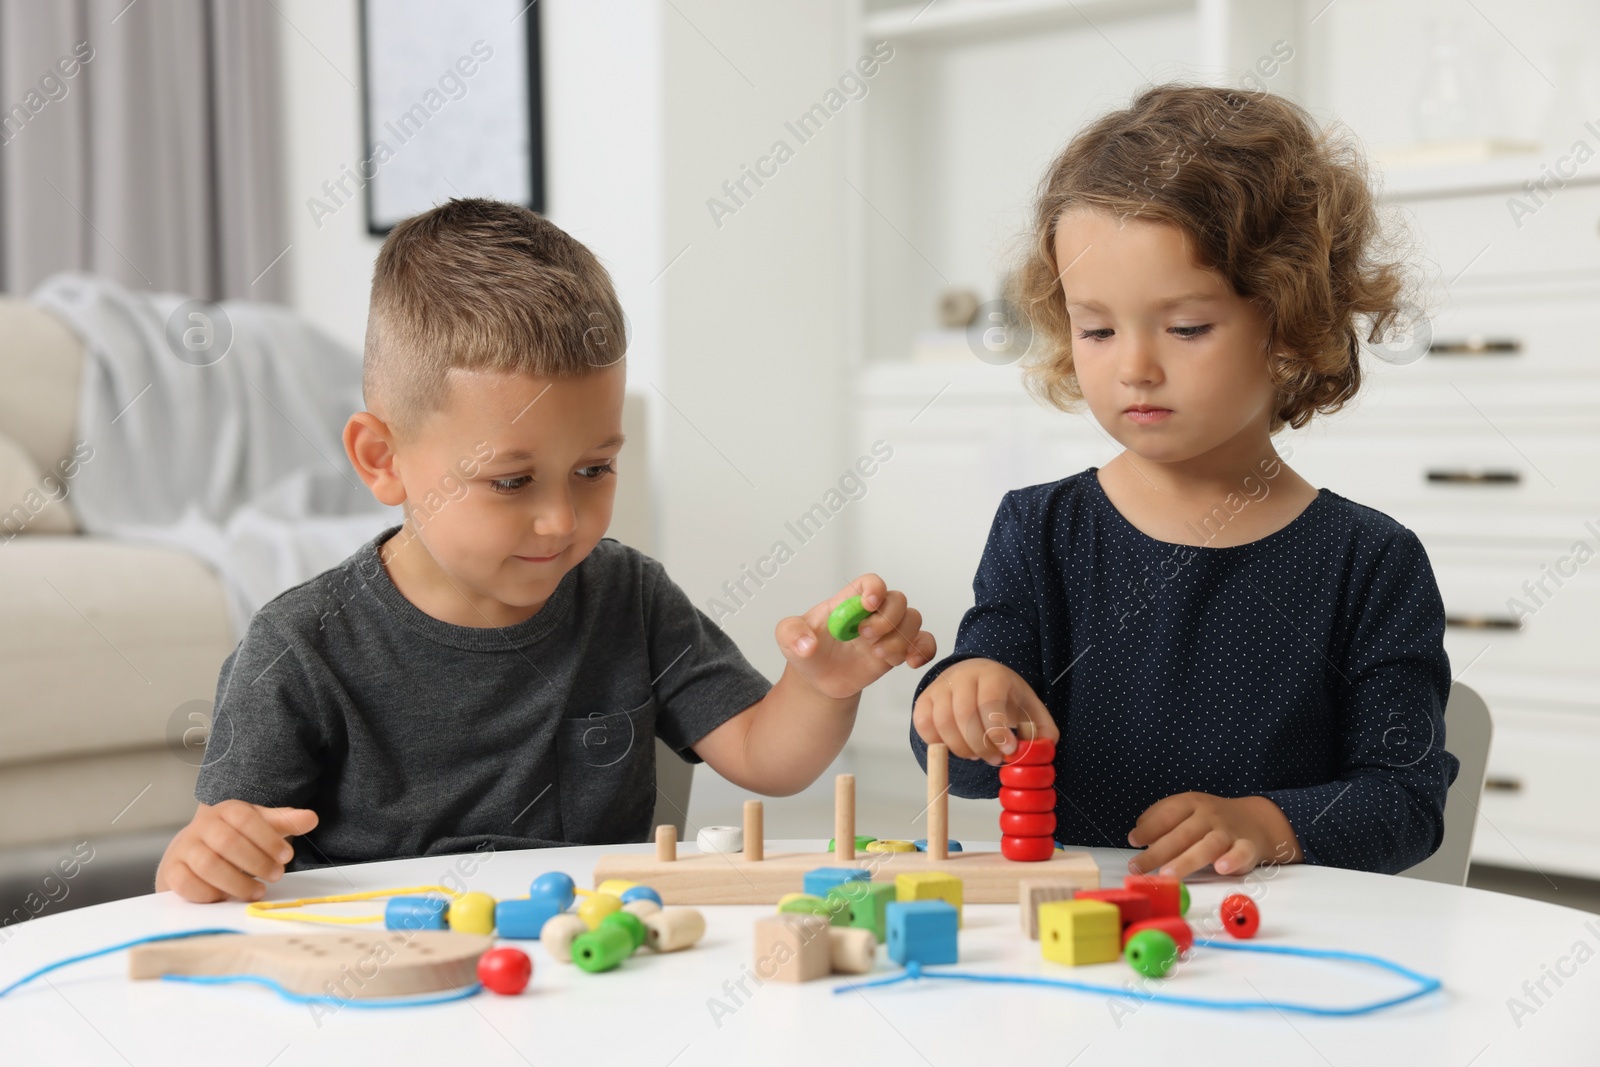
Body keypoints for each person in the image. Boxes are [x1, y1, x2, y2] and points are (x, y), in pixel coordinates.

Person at [156, 198, 935, 902]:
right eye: (511, 480)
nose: (562, 520)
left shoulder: (628, 593)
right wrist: (203, 862)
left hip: (589, 969)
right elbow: (212, 868)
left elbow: (769, 758)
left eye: (594, 469)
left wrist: (821, 686)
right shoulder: (298, 646)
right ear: (382, 459)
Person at [910, 84, 1458, 878]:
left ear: (1290, 319)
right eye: (1095, 327)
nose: (1134, 366)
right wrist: (965, 693)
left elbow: (1405, 802)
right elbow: (966, 768)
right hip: (1080, 940)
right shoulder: (1038, 530)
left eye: (1187, 327)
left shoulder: (1370, 561)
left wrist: (1273, 823)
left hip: (1275, 939)